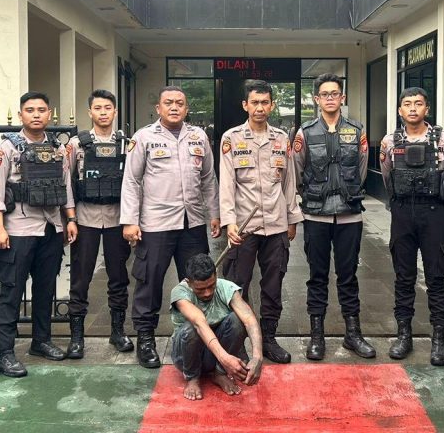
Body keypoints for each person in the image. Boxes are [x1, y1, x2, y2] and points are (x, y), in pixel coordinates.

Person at [121, 86, 221, 369]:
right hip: (156, 224)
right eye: (168, 103)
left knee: (196, 281)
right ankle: (145, 338)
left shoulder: (198, 136)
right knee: (149, 281)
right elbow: (131, 181)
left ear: (186, 109)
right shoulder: (143, 138)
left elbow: (208, 179)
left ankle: (197, 336)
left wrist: (214, 214)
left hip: (193, 222)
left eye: (179, 103)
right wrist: (130, 220)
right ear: (159, 108)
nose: (174, 107)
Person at [0, 91, 77, 378]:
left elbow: (66, 186)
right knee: (11, 291)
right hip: (18, 230)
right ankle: (5, 352)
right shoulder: (6, 148)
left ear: (49, 114)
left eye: (41, 109)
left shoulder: (58, 148)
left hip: (51, 227)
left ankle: (41, 341)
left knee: (45, 289)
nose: (36, 114)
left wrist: (70, 219)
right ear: (21, 114)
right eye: (30, 110)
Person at [219, 80, 303, 364]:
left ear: (272, 105)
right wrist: (229, 221)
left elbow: (289, 182)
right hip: (244, 227)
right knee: (237, 286)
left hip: (277, 224)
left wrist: (292, 218)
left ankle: (269, 339)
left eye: (265, 102)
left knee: (273, 285)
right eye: (254, 102)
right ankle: (237, 342)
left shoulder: (281, 138)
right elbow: (226, 184)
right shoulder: (231, 138)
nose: (259, 107)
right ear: (245, 105)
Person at [292, 73, 375, 360]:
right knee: (317, 276)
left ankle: (353, 334)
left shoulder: (357, 130)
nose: (330, 98)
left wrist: (348, 191)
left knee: (348, 276)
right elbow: (297, 170)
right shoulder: (305, 132)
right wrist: (312, 196)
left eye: (334, 93)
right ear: (316, 99)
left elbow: (362, 167)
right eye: (324, 94)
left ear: (343, 97)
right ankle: (317, 336)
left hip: (349, 215)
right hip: (316, 216)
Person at [380, 87, 444, 364]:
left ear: (427, 109)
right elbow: (387, 178)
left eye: (418, 103)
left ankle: (439, 339)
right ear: (400, 110)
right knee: (403, 277)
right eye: (407, 104)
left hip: (433, 213)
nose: (413, 108)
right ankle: (404, 335)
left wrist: (437, 200)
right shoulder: (389, 141)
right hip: (402, 213)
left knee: (436, 277)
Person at [65, 90, 134, 359]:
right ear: (90, 112)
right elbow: (67, 182)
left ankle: (117, 331)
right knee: (80, 277)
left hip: (118, 218)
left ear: (115, 111)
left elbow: (134, 183)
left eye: (107, 108)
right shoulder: (76, 144)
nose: (103, 112)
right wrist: (71, 218)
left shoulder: (126, 144)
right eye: (98, 108)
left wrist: (133, 220)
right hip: (86, 217)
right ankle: (76, 337)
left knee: (119, 276)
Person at [170, 253, 264, 401]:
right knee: (191, 329)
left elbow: (249, 319)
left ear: (216, 276)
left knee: (237, 319)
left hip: (214, 354)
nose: (207, 293)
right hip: (186, 356)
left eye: (211, 286)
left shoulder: (225, 287)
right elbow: (199, 323)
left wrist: (258, 357)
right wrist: (225, 358)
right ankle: (192, 377)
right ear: (188, 283)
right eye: (201, 289)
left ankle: (219, 373)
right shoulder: (180, 292)